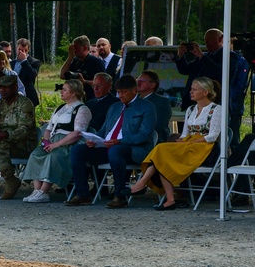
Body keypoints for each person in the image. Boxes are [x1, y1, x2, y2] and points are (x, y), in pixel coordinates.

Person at [129, 77, 223, 210]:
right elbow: (184, 133)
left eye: (194, 89)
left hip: (205, 147)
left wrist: (193, 141)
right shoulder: (191, 109)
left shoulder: (216, 109)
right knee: (162, 153)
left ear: (205, 92)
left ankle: (142, 183)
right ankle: (168, 197)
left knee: (162, 151)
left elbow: (213, 135)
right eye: (191, 89)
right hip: (189, 144)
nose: (191, 91)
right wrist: (182, 140)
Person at [66, 75, 157, 208]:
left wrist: (119, 141)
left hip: (133, 149)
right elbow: (104, 130)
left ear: (134, 90)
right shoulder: (114, 107)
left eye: (124, 92)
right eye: (118, 92)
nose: (120, 95)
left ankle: (120, 195)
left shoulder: (147, 107)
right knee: (78, 150)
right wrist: (94, 140)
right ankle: (82, 194)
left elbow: (143, 135)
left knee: (116, 151)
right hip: (109, 146)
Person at [21, 80, 91, 203]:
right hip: (52, 141)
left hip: (67, 144)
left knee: (53, 157)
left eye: (65, 90)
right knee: (35, 155)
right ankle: (37, 190)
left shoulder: (82, 109)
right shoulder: (60, 108)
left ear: (73, 93)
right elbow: (48, 128)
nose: (61, 92)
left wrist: (57, 144)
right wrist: (47, 141)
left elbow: (77, 133)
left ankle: (44, 191)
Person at [136, 70, 172, 142]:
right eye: (137, 79)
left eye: (142, 80)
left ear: (152, 85)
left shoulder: (162, 101)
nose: (138, 82)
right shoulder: (134, 101)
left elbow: (160, 124)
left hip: (152, 139)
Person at [14, 38, 41, 107]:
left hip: (27, 97)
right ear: (16, 48)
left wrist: (24, 61)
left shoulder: (34, 62)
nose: (22, 52)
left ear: (28, 50)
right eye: (20, 50)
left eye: (25, 50)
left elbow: (32, 75)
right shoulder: (11, 63)